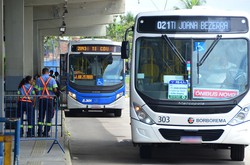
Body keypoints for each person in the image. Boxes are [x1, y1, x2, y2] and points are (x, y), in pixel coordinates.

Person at [35, 67, 58, 137]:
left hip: (41, 99)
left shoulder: (39, 79)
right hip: (49, 100)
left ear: (42, 72)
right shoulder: (52, 79)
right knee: (49, 116)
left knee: (41, 115)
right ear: (48, 72)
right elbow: (55, 89)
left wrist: (39, 94)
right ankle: (46, 132)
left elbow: (36, 90)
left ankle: (39, 131)